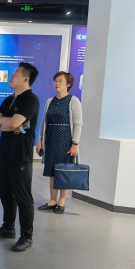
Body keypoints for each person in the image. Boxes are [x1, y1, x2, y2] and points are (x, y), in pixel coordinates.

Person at [0, 62, 40, 252]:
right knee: (5, 193)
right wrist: (9, 123)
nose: (12, 76)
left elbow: (12, 123)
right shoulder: (10, 99)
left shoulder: (31, 100)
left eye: (16, 73)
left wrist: (8, 123)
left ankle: (27, 236)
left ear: (26, 78)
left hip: (20, 156)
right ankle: (8, 227)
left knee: (22, 196)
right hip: (5, 153)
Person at [36, 71, 83, 214]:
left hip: (65, 139)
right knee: (52, 170)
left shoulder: (73, 100)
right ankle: (52, 200)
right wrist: (40, 140)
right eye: (55, 81)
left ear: (68, 84)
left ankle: (62, 201)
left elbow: (78, 124)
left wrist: (75, 143)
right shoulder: (50, 101)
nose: (57, 83)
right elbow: (43, 122)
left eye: (60, 81)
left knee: (63, 171)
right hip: (51, 139)